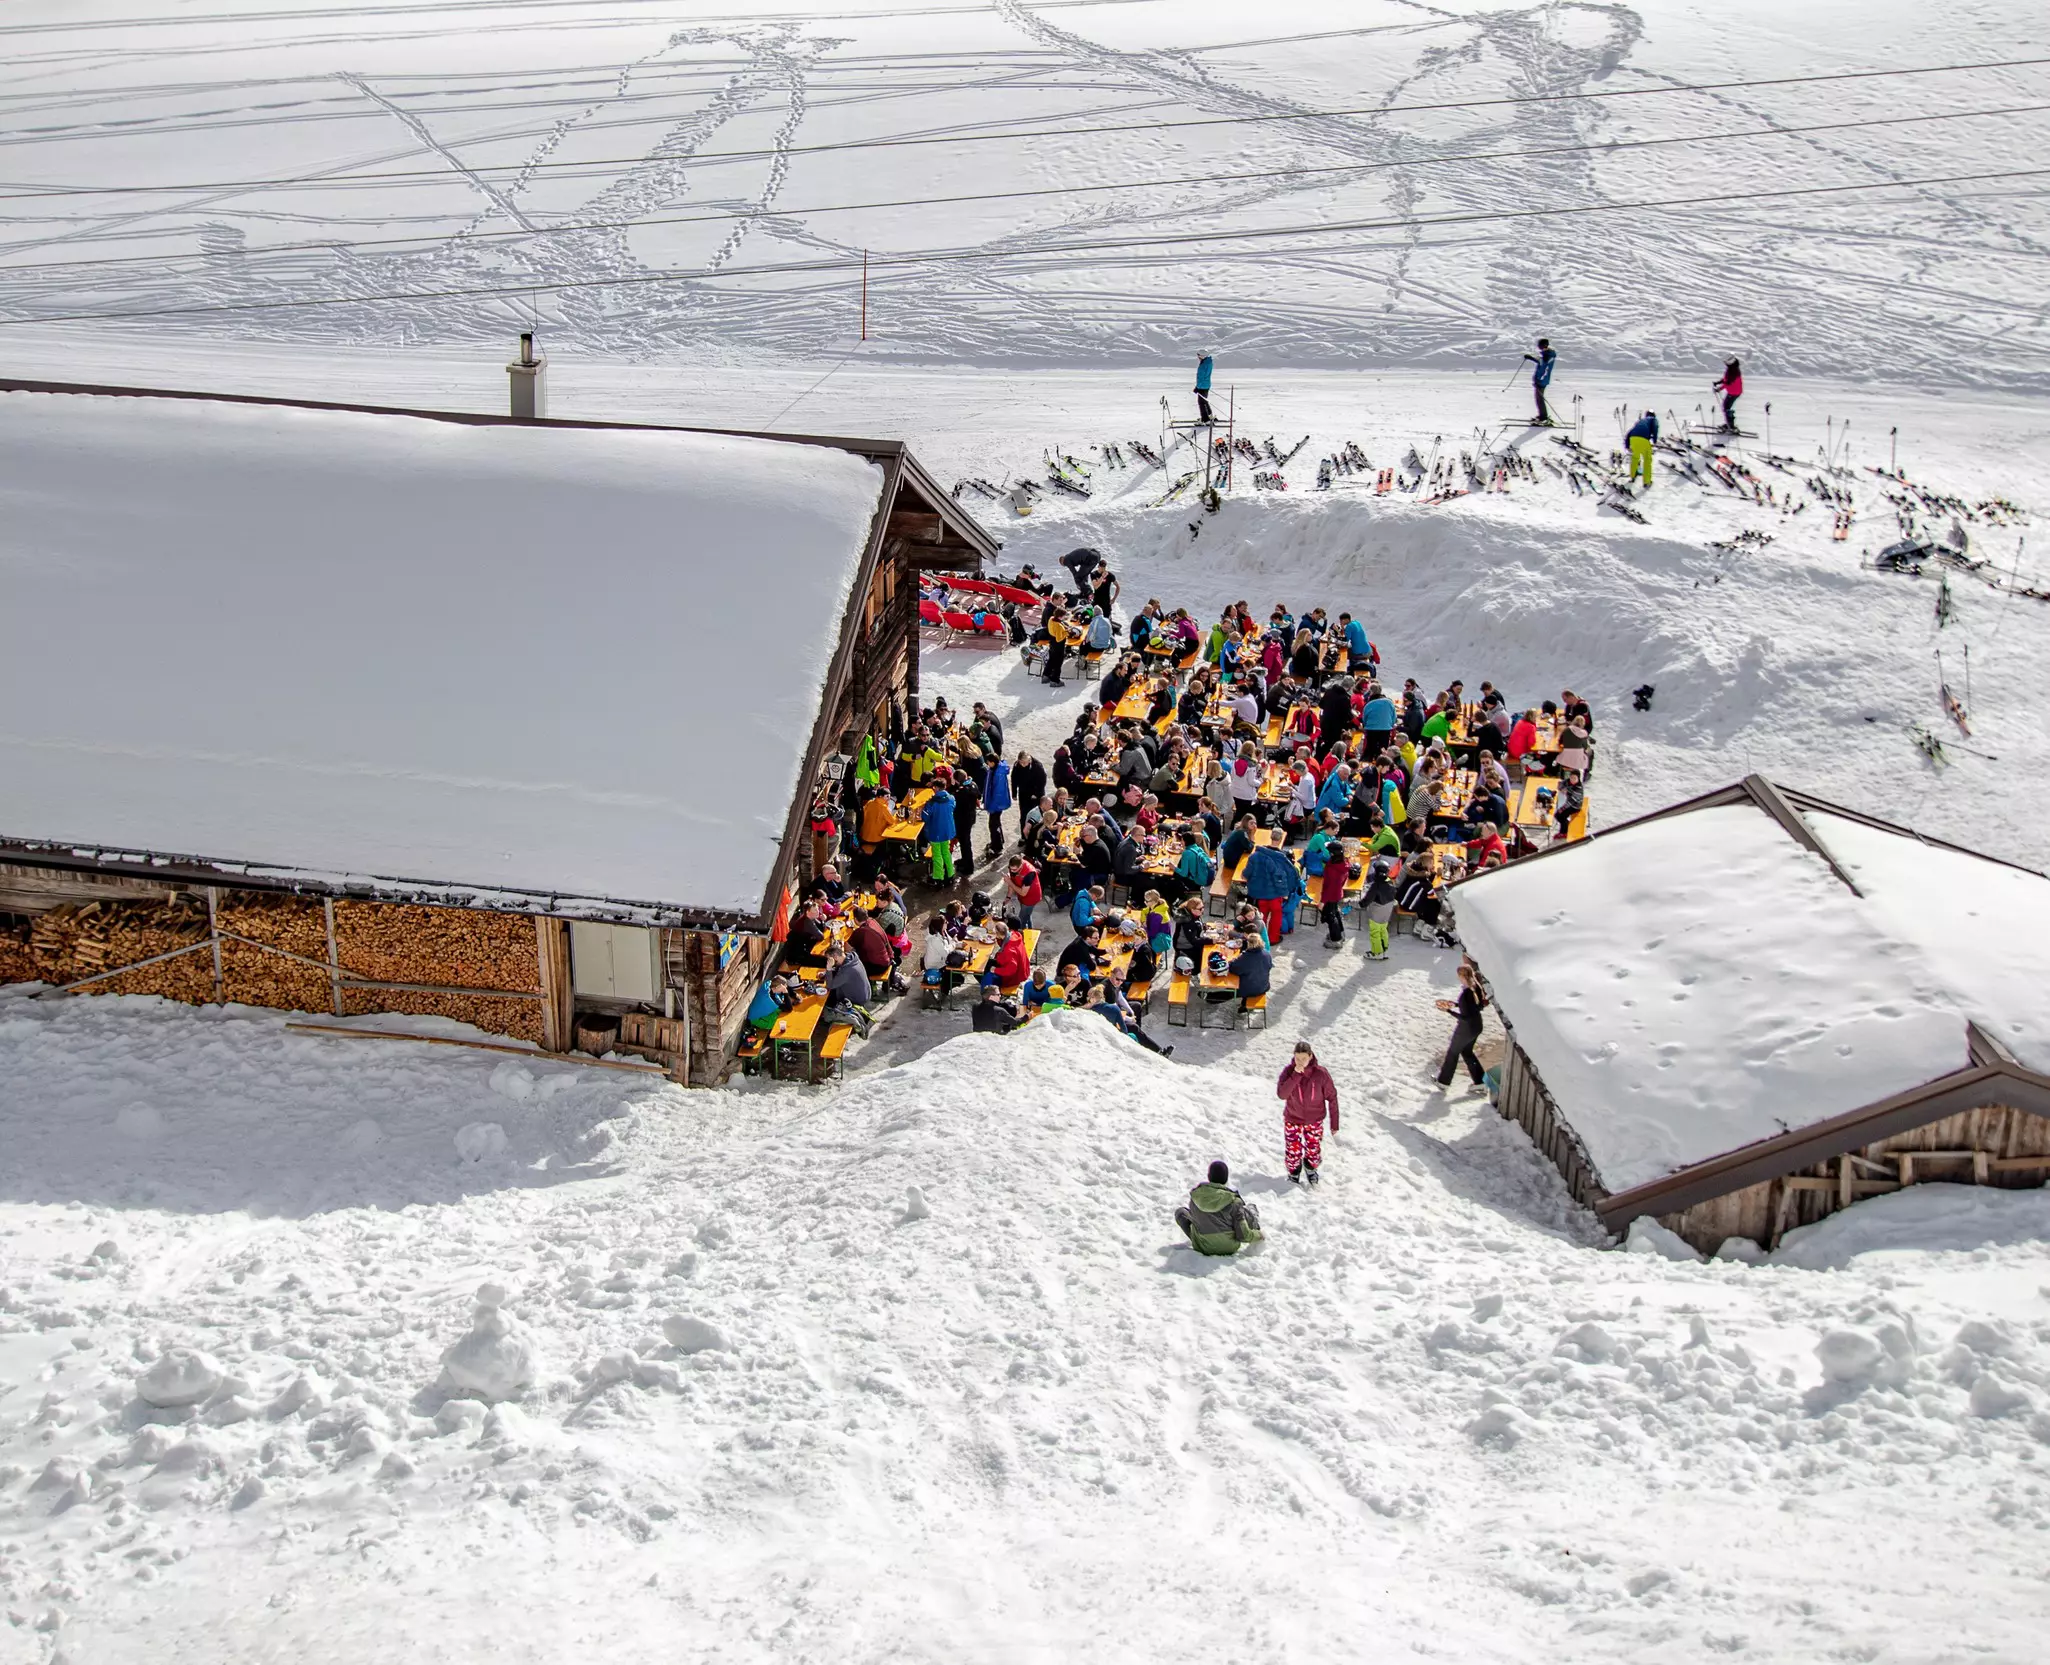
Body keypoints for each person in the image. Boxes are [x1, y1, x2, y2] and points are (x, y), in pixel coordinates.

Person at [1277, 1042, 1339, 1184]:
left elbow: (1332, 1097)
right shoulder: (1288, 1072)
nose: (1300, 1062)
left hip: (1314, 1119)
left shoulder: (1321, 1074)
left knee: (1313, 1148)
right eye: (1297, 1058)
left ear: (1310, 1056)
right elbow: (1282, 1094)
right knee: (1292, 1149)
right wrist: (1295, 1076)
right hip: (1293, 1118)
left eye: (1303, 1058)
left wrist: (1334, 1123)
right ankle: (1293, 1173)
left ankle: (1311, 1169)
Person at [1176, 1159, 1263, 1256]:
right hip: (1229, 1247)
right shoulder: (1232, 1200)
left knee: (1181, 1212)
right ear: (1226, 1179)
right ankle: (1254, 1220)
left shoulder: (1195, 1197)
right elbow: (1243, 1235)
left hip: (1203, 1246)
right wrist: (1259, 1235)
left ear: (1209, 1177)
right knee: (1243, 1211)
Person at [1435, 963, 1487, 1088]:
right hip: (1477, 1026)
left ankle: (1443, 1082)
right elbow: (1477, 1006)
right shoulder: (1476, 988)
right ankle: (1480, 1082)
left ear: (1462, 976)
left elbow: (1465, 1018)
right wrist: (1456, 1005)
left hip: (1466, 1029)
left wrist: (1448, 1011)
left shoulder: (1465, 994)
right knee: (1467, 1052)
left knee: (1453, 1053)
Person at [1243, 837, 1303, 944]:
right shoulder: (1278, 859)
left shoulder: (1254, 857)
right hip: (1275, 895)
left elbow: (1246, 873)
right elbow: (1280, 878)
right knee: (1276, 916)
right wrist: (1285, 893)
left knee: (1261, 917)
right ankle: (1273, 938)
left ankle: (1260, 939)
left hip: (1260, 894)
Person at [822, 945, 873, 1038]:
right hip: (865, 992)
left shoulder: (847, 971)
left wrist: (829, 969)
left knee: (827, 998)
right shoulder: (851, 959)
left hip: (858, 999)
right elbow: (840, 970)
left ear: (835, 957)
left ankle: (827, 1020)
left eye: (829, 959)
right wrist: (828, 972)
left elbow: (830, 985)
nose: (828, 962)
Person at [1361, 858, 1400, 960]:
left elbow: (1368, 899)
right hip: (1387, 911)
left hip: (1377, 911)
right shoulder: (1391, 882)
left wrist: (1362, 904)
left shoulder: (1376, 885)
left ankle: (1376, 952)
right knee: (1383, 930)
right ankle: (1384, 950)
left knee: (1375, 932)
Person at [1316, 834, 1351, 947]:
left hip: (1331, 895)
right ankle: (1340, 934)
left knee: (1330, 917)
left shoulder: (1332, 869)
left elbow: (1330, 887)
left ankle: (1336, 939)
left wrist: (1322, 901)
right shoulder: (1343, 864)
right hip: (1337, 893)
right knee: (1335, 913)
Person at [920, 781, 958, 884]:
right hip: (947, 831)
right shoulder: (951, 798)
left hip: (935, 831)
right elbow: (953, 807)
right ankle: (950, 874)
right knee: (946, 851)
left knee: (937, 854)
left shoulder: (931, 802)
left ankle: (938, 877)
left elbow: (924, 817)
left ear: (935, 788)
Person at [1524, 336, 1556, 426]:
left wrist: (1539, 380)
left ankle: (1544, 417)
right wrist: (1531, 358)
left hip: (1542, 381)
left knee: (1540, 399)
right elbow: (1540, 361)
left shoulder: (1548, 355)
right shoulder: (1547, 354)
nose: (1539, 348)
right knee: (1538, 399)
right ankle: (1542, 416)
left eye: (1540, 346)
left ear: (1544, 346)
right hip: (1541, 380)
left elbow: (1544, 366)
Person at [1626, 409, 1659, 490]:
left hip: (1633, 439)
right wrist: (1654, 440)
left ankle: (1632, 477)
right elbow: (1655, 427)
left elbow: (1629, 433)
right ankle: (1647, 482)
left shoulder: (1640, 421)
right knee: (1647, 460)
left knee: (1635, 458)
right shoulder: (1653, 419)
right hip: (1643, 440)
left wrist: (1627, 446)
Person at [1713, 357, 1743, 431]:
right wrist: (1719, 383)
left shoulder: (1735, 371)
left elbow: (1729, 381)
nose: (1726, 364)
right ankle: (1729, 424)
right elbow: (1726, 380)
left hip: (1734, 393)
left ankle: (1731, 426)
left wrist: (1720, 387)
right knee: (1726, 407)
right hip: (1732, 392)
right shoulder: (1731, 369)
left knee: (1726, 408)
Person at [1193, 349, 1215, 425]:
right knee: (1204, 401)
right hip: (1205, 385)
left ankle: (1205, 420)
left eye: (1198, 355)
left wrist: (1197, 387)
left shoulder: (1204, 364)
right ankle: (1209, 416)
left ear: (1202, 356)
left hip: (1203, 386)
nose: (1198, 357)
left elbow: (1202, 377)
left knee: (1201, 403)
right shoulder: (1207, 362)